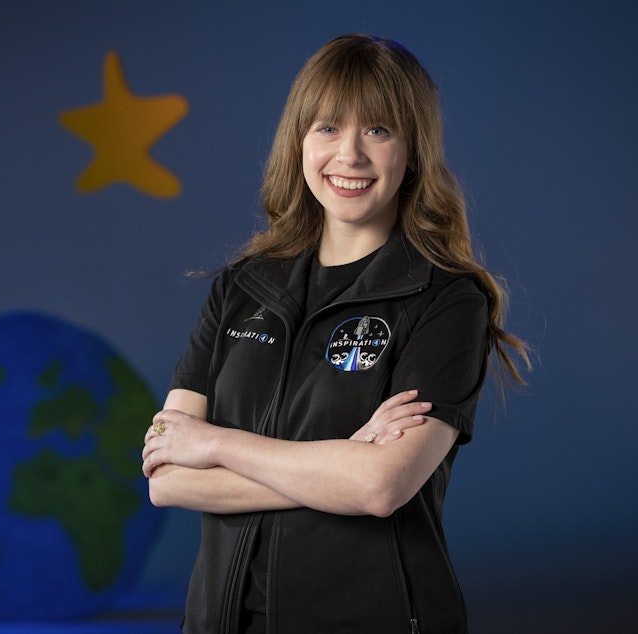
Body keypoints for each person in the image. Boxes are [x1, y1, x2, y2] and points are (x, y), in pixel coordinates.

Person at [142, 33, 529, 634]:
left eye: (377, 130)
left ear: (414, 151)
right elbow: (167, 478)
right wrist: (338, 467)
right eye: (326, 127)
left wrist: (215, 445)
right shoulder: (242, 287)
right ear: (298, 141)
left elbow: (379, 487)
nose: (348, 155)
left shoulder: (447, 300)